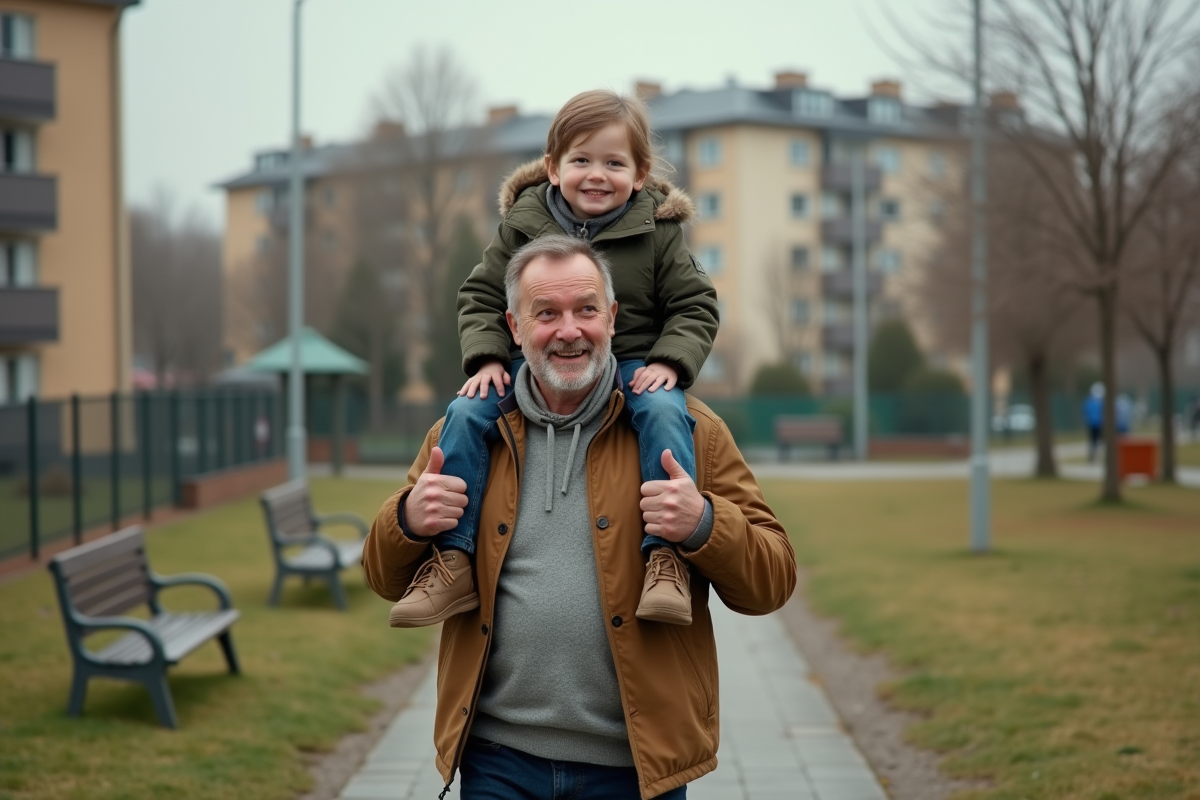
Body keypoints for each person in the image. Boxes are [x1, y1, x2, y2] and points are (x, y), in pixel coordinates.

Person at [362, 236, 795, 800]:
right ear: (514, 328)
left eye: (586, 309)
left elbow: (774, 580)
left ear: (612, 318)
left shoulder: (689, 430)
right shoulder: (464, 434)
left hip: (637, 769)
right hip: (496, 762)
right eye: (546, 313)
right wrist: (410, 520)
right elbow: (382, 577)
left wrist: (703, 524)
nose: (569, 330)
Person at [387, 90, 719, 630]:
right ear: (552, 167)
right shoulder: (523, 224)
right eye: (581, 160)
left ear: (639, 175)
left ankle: (665, 559)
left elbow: (695, 303)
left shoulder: (657, 233)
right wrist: (490, 357)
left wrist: (672, 362)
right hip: (533, 366)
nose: (596, 174)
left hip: (634, 362)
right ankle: (452, 560)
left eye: (614, 163)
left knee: (663, 411)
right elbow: (480, 297)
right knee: (468, 411)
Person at [1084, 382, 1104, 462]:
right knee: (1099, 441)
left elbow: (1085, 413)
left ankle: (1092, 457)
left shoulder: (1088, 402)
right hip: (1099, 424)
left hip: (1091, 424)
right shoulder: (1101, 402)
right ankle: (1097, 456)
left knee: (1093, 441)